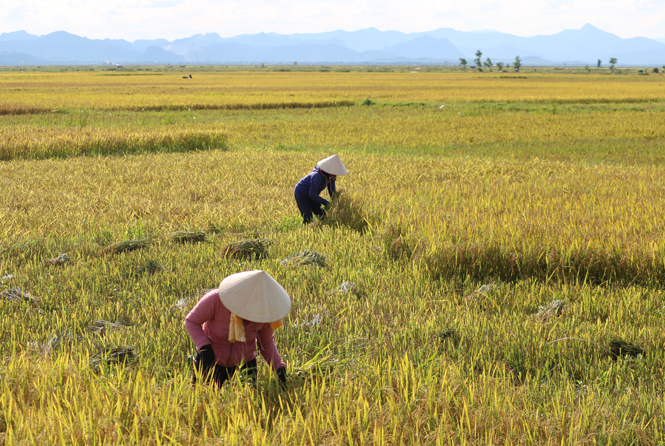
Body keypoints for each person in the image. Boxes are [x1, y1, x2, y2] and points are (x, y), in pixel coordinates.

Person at [185, 270, 291, 388]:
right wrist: (204, 346)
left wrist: (278, 367)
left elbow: (265, 343)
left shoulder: (265, 314)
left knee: (248, 402)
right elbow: (191, 321)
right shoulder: (216, 300)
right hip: (212, 360)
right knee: (204, 397)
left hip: (245, 363)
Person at [294, 154, 348, 224]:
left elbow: (332, 191)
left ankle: (322, 228)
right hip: (302, 194)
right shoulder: (317, 176)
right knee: (308, 218)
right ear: (329, 170)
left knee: (322, 216)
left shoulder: (331, 177)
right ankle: (305, 231)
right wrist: (326, 203)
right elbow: (312, 194)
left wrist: (336, 202)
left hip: (312, 195)